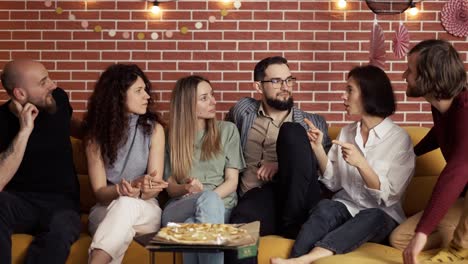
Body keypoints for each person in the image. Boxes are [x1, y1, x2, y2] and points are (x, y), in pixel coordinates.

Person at [271, 65, 416, 264]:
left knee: (373, 215)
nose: (343, 96)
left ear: (368, 94)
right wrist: (318, 148)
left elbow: (390, 197)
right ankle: (295, 259)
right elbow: (333, 181)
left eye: (349, 90)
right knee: (326, 207)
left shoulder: (400, 139)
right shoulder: (347, 132)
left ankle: (307, 259)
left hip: (381, 215)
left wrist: (361, 164)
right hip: (346, 207)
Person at [227, 56, 331, 239]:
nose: (286, 87)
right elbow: (223, 140)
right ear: (258, 87)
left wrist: (283, 165)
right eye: (276, 81)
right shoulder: (242, 111)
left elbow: (329, 174)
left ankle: (294, 225)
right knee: (240, 227)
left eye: (289, 80)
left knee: (292, 131)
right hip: (258, 198)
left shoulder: (313, 123)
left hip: (297, 201)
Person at [388, 39, 468, 264]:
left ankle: (456, 251)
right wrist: (409, 153)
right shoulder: (442, 109)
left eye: (410, 71)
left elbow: (459, 168)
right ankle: (454, 240)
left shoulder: (465, 109)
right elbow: (440, 133)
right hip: (462, 199)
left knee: (424, 234)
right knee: (400, 239)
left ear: (429, 77)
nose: (404, 76)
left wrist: (423, 233)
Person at [84, 64, 168, 264]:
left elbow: (152, 191)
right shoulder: (95, 137)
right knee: (121, 226)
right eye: (139, 91)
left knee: (126, 206)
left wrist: (142, 188)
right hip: (105, 210)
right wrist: (120, 190)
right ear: (118, 96)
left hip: (146, 209)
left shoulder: (154, 130)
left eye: (145, 90)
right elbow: (100, 192)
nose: (147, 96)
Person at [0, 60, 82, 263]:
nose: (53, 85)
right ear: (20, 94)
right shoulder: (0, 121)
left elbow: (72, 125)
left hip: (62, 204)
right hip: (19, 202)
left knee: (60, 230)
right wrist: (25, 131)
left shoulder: (58, 100)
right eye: (43, 82)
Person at [161, 75, 245, 264]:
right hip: (179, 207)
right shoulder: (170, 136)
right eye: (204, 98)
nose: (214, 101)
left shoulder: (228, 130)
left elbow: (232, 182)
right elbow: (170, 187)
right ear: (187, 104)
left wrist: (207, 199)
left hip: (222, 208)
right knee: (202, 208)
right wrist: (187, 189)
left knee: (193, 226)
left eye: (212, 95)